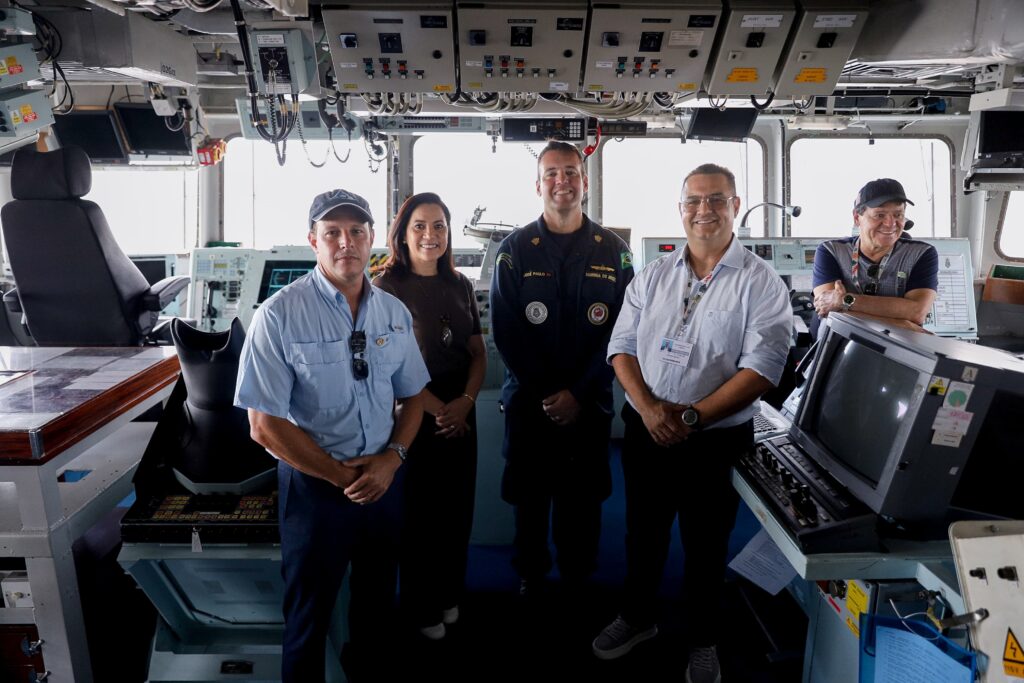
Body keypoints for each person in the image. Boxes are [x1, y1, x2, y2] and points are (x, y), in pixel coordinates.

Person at [593, 164, 792, 683]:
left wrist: (691, 416)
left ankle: (703, 640)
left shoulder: (760, 282)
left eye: (716, 200)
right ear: (680, 209)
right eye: (694, 201)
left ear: (735, 205)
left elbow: (762, 368)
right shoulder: (654, 275)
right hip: (648, 430)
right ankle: (637, 619)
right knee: (644, 534)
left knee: (706, 544)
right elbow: (621, 347)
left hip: (717, 440)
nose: (704, 210)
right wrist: (652, 409)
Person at [234, 189, 429, 683]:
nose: (347, 243)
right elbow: (264, 425)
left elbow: (414, 398)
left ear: (373, 242)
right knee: (308, 618)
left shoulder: (393, 313)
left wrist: (392, 459)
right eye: (333, 233)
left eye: (357, 232)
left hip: (384, 481)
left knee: (376, 610)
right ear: (313, 242)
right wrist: (339, 475)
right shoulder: (278, 315)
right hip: (316, 489)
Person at [490, 140, 633, 595]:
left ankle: (578, 578)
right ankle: (530, 576)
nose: (562, 181)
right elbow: (507, 332)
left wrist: (579, 392)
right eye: (552, 173)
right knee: (529, 502)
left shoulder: (614, 250)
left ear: (585, 183)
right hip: (531, 406)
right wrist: (551, 393)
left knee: (583, 503)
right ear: (538, 184)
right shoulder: (514, 250)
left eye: (570, 172)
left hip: (588, 405)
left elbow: (622, 332)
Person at [372, 192, 486, 640]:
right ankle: (422, 606)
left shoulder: (460, 284)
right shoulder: (385, 288)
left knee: (457, 512)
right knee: (420, 517)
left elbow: (476, 352)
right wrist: (440, 410)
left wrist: (466, 404)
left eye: (439, 226)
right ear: (402, 233)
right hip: (414, 413)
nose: (430, 235)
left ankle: (449, 594)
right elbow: (392, 365)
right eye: (420, 226)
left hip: (461, 408)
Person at [811, 178, 938, 336]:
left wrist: (845, 301)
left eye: (898, 215)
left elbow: (917, 313)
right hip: (839, 342)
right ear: (857, 218)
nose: (890, 223)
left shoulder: (922, 254)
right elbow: (830, 314)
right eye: (879, 215)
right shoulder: (830, 251)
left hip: (896, 346)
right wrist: (903, 325)